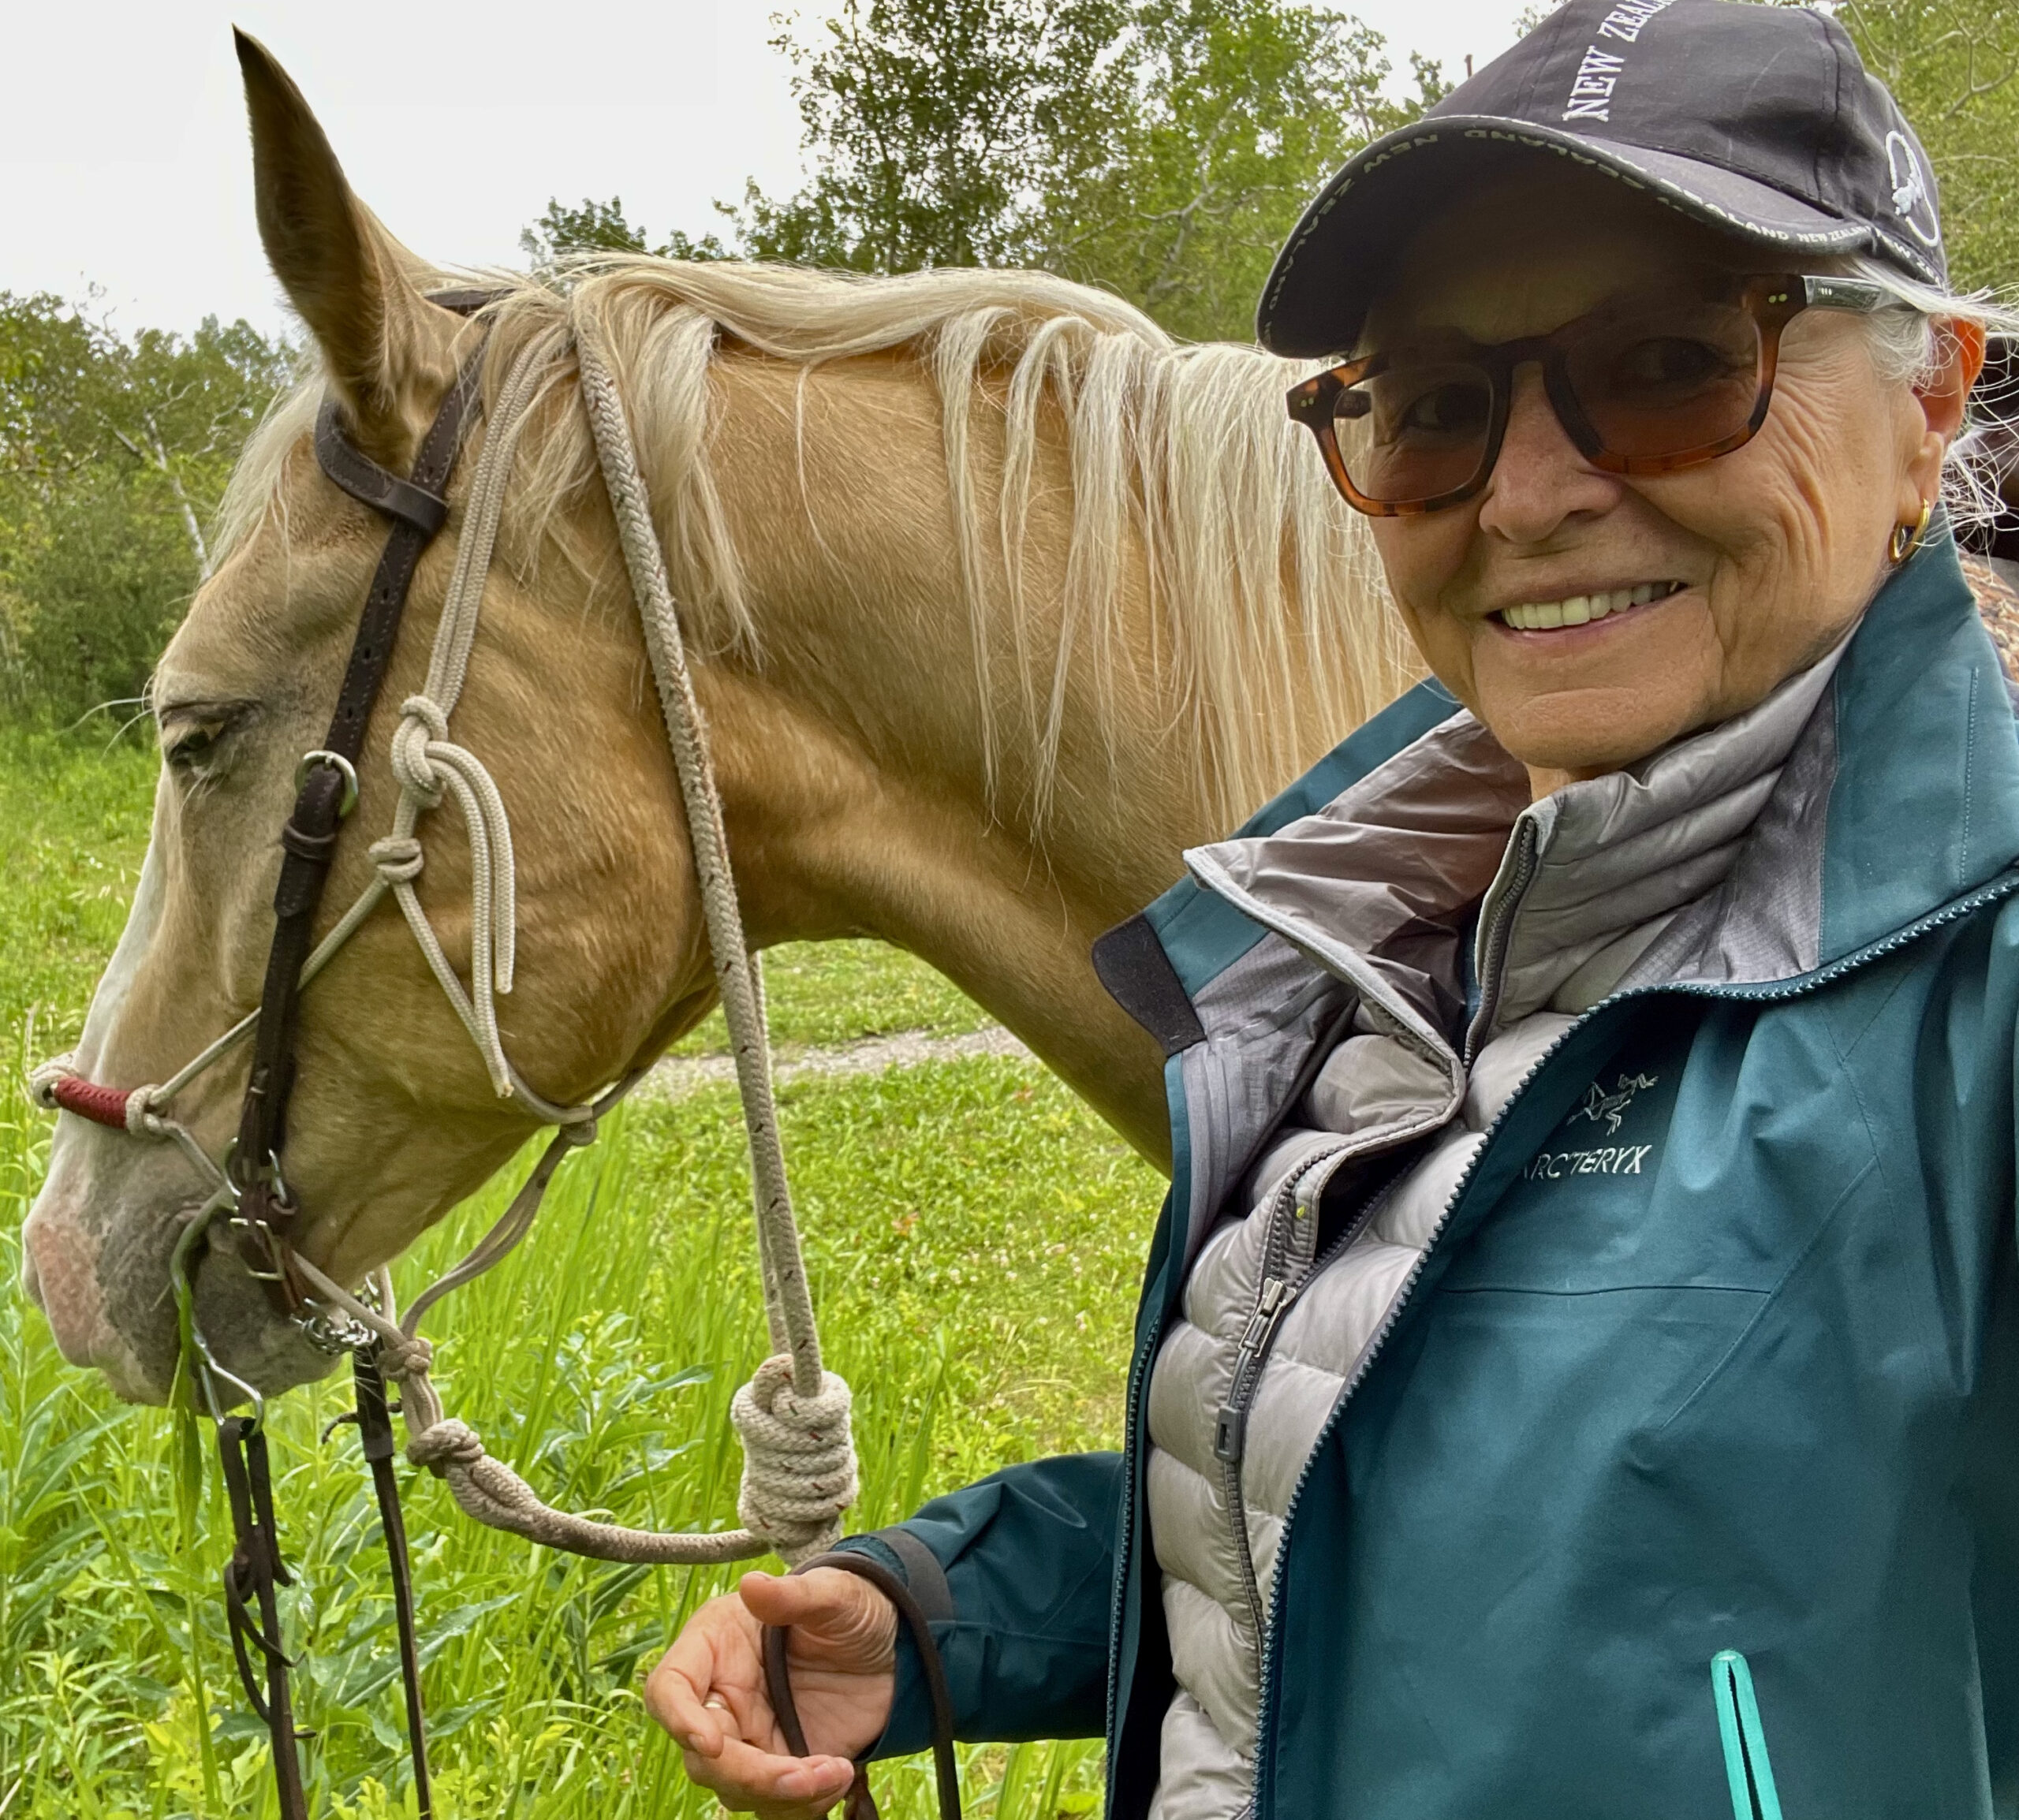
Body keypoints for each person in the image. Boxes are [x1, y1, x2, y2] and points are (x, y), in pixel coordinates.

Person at [645, 3, 2019, 1814]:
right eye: (1436, 409)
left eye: (1673, 362)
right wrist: (945, 1611)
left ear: (1926, 398)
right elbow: (1381, 1526)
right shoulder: (1390, 938)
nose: (1526, 492)